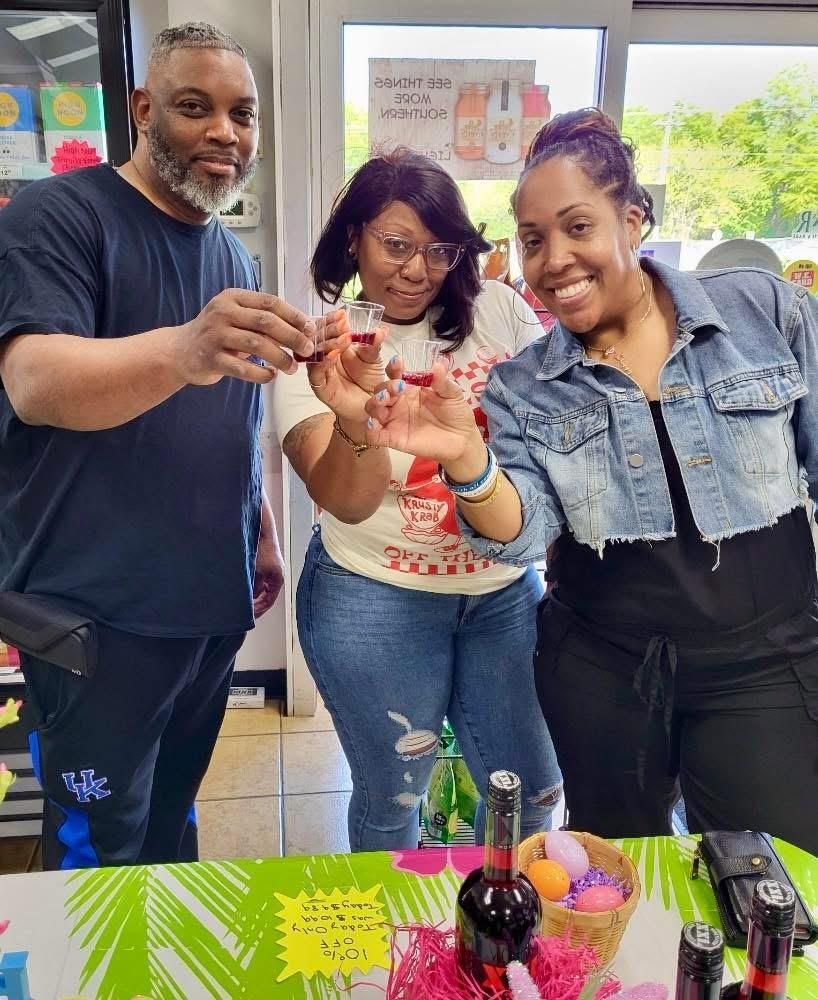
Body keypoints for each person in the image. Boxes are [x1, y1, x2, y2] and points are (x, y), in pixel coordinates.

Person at [363, 110, 818, 856]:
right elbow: (528, 529)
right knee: (614, 876)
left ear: (632, 218)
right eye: (534, 241)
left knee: (773, 885)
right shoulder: (523, 385)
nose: (556, 259)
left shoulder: (763, 312)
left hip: (766, 664)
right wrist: (467, 462)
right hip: (604, 670)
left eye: (578, 226)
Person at [0, 23, 319, 869]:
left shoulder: (231, 256)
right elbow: (35, 380)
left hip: (206, 612)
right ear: (142, 109)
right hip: (97, 622)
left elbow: (235, 419)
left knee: (172, 822)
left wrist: (262, 531)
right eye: (195, 107)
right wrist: (183, 347)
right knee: (97, 846)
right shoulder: (59, 216)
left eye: (242, 114)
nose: (225, 132)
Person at [272, 150, 562, 852]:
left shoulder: (498, 311)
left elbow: (546, 438)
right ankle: (399, 948)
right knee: (392, 796)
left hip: (501, 595)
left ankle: (510, 938)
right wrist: (353, 416)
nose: (417, 269)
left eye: (439, 249)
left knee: (533, 793)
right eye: (396, 245)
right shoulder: (322, 350)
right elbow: (346, 500)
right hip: (374, 601)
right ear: (353, 238)